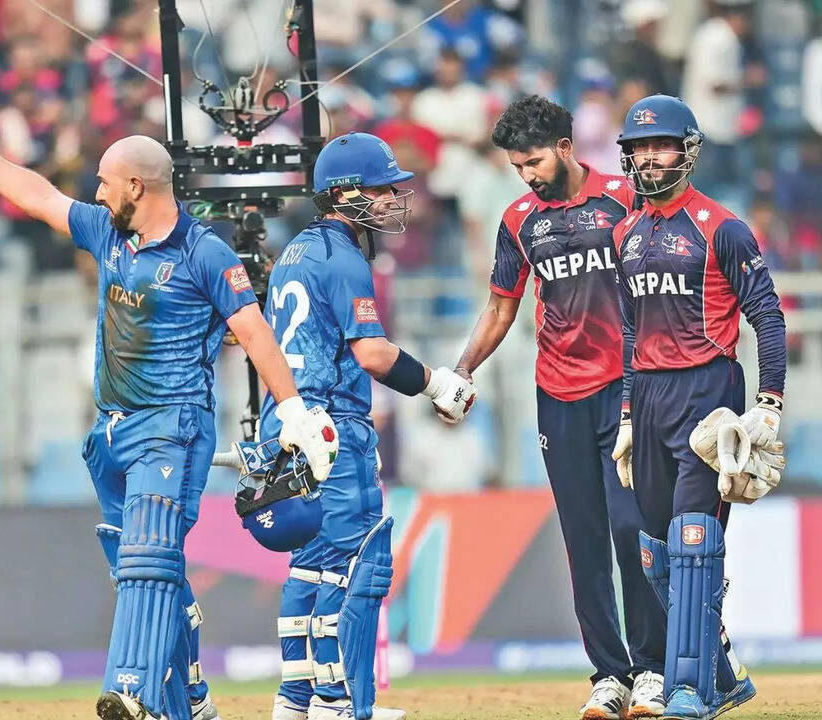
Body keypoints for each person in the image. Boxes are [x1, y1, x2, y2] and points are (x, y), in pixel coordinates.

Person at [0, 122, 341, 720]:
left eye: (105, 182)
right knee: (144, 567)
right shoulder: (107, 232)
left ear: (137, 186)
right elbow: (39, 196)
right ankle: (189, 701)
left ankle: (130, 691)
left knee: (148, 560)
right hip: (112, 431)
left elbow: (253, 332)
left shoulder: (204, 252)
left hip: (173, 428)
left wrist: (292, 410)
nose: (97, 192)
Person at [452, 96, 667, 720]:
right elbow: (501, 307)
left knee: (632, 530)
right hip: (559, 396)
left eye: (534, 162)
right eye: (517, 166)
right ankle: (610, 677)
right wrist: (462, 370)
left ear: (566, 149)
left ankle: (653, 670)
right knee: (583, 540)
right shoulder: (518, 220)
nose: (526, 176)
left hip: (627, 392)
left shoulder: (625, 198)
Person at [265, 132, 475, 720]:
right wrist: (438, 384)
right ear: (344, 193)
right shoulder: (344, 257)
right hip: (332, 427)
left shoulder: (295, 252)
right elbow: (373, 354)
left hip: (289, 425)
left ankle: (295, 699)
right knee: (355, 565)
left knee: (308, 566)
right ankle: (338, 702)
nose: (392, 199)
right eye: (381, 189)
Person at [612, 94, 786, 719]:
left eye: (661, 145)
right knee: (657, 553)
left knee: (693, 542)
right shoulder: (625, 233)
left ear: (687, 152)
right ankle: (722, 672)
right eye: (639, 148)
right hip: (649, 397)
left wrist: (768, 403)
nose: (649, 157)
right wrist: (627, 414)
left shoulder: (722, 227)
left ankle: (689, 690)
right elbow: (630, 331)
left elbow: (767, 315)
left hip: (708, 395)